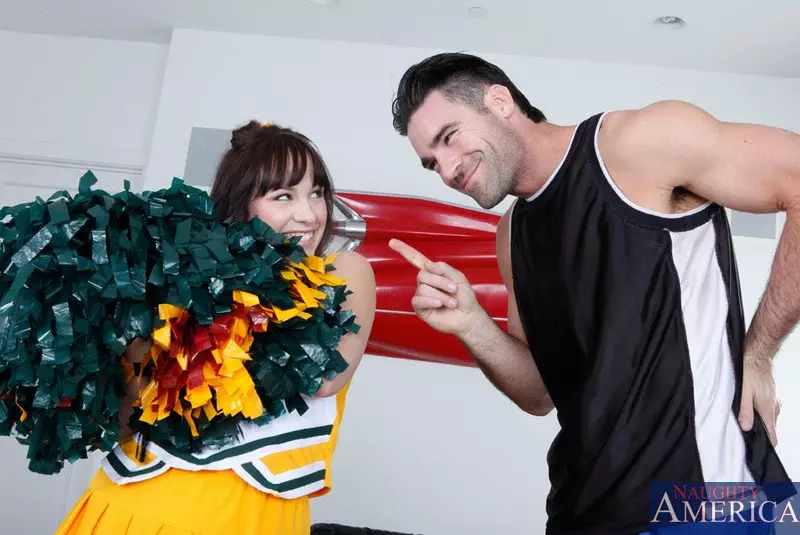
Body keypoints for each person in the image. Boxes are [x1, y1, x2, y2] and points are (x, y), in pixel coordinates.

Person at [387, 52, 798, 534]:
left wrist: (759, 352)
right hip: (581, 511)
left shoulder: (636, 143)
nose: (447, 169)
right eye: (431, 163)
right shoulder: (511, 234)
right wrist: (473, 324)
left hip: (700, 501)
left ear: (498, 102)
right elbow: (539, 394)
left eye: (449, 137)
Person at [55, 121, 376, 535]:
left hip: (250, 518)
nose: (309, 214)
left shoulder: (344, 272)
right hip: (132, 507)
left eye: (316, 193)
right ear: (240, 206)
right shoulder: (183, 286)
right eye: (283, 196)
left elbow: (324, 377)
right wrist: (124, 336)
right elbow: (125, 419)